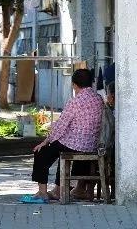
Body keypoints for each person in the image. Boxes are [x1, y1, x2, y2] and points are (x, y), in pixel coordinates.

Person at [20, 68, 103, 204]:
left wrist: (45, 142)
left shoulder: (75, 102)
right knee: (62, 149)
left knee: (41, 153)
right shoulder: (98, 99)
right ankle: (67, 189)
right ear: (91, 83)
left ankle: (42, 192)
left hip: (75, 144)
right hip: (91, 144)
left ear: (74, 85)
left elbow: (61, 126)